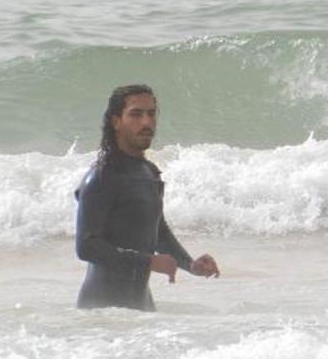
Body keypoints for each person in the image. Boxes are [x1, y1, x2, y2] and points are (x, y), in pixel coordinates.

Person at [74, 84, 220, 309]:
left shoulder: (149, 172)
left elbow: (158, 233)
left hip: (141, 308)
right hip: (102, 312)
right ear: (116, 121)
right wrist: (148, 261)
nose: (146, 122)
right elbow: (86, 247)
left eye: (151, 114)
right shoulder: (103, 176)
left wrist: (191, 265)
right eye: (135, 114)